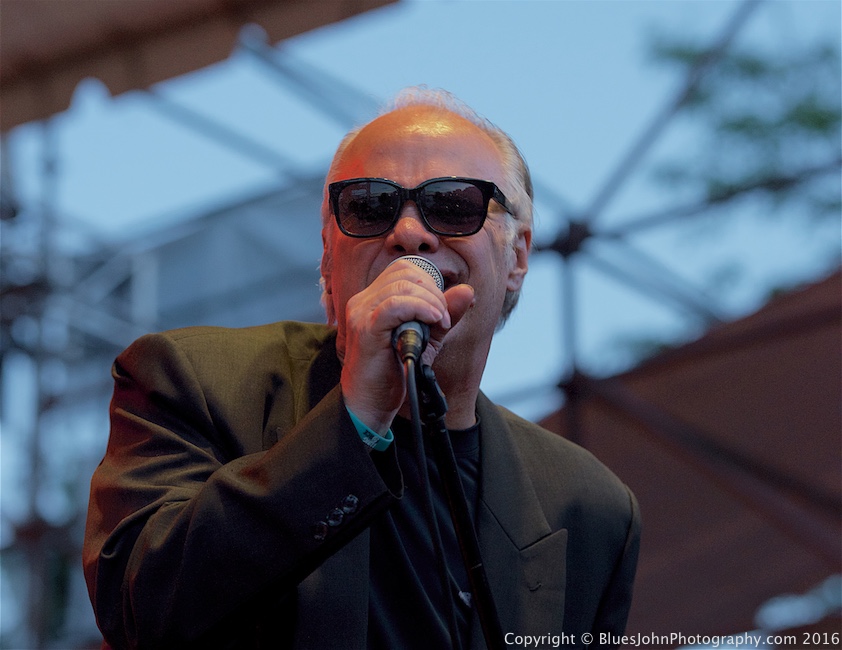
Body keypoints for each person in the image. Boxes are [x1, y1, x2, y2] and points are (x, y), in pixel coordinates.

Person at [83, 87, 640, 650]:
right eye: (370, 207)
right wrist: (355, 420)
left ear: (517, 256)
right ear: (328, 255)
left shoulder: (589, 508)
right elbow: (139, 608)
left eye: (452, 205)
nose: (409, 232)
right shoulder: (192, 380)